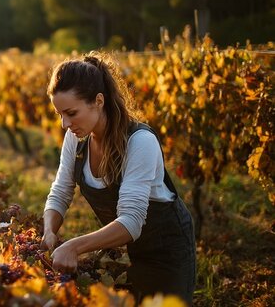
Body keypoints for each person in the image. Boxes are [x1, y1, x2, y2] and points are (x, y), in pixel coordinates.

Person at [40, 53, 196, 304]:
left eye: (71, 113)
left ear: (98, 101)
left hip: (165, 254)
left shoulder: (140, 142)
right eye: (60, 114)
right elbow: (60, 191)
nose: (64, 124)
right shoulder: (76, 138)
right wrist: (49, 231)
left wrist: (74, 246)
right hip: (120, 252)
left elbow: (132, 221)